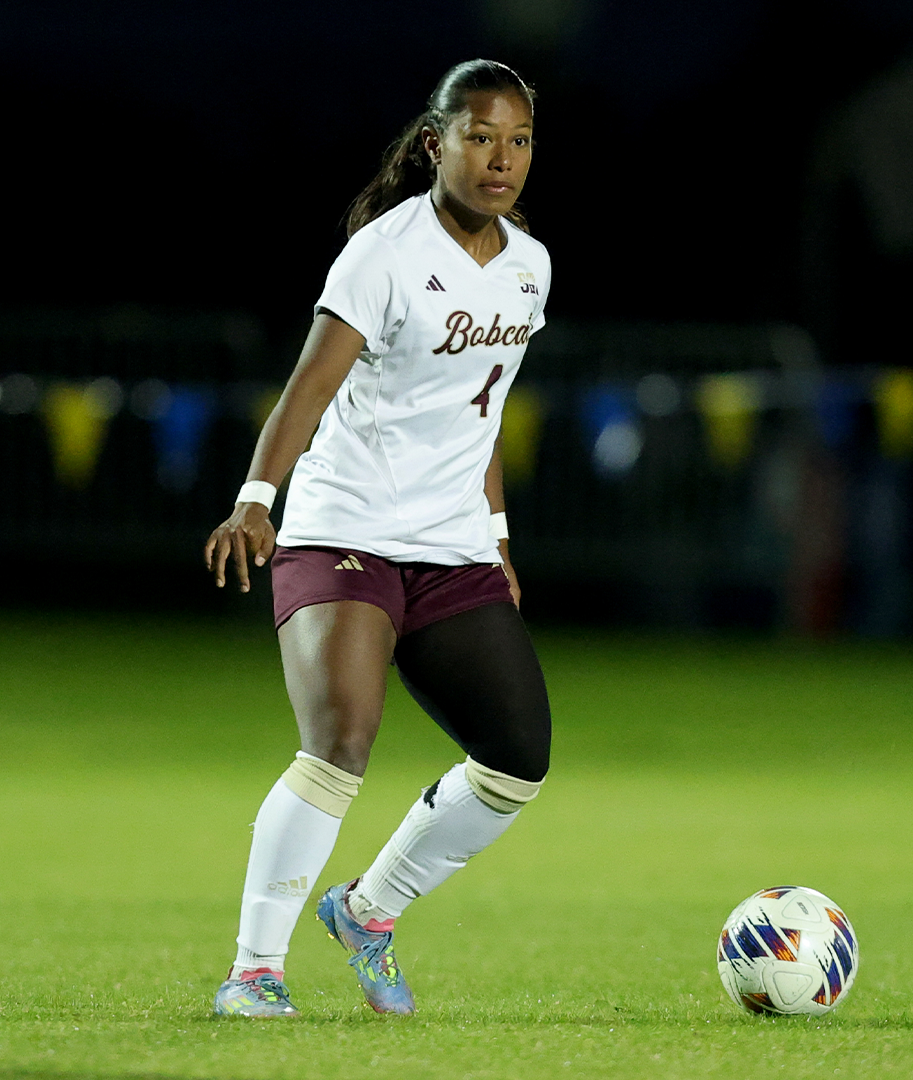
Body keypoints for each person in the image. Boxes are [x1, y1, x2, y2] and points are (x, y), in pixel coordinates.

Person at [203, 59, 552, 1017]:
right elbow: (307, 389)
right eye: (480, 136)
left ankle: (370, 910)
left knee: (518, 757)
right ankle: (255, 971)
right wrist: (255, 497)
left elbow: (479, 419)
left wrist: (498, 537)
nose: (501, 158)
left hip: (452, 546)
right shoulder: (382, 254)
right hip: (342, 531)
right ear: (436, 143)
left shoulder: (530, 266)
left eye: (518, 140)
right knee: (341, 742)